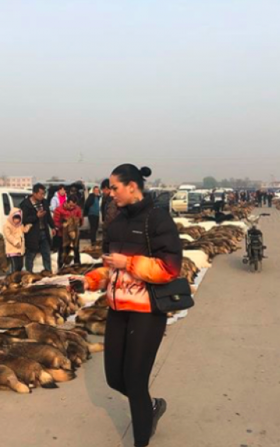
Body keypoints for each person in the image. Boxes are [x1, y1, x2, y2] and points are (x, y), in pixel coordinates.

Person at [83, 164, 182, 447]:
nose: (110, 193)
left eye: (115, 188)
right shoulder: (116, 223)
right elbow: (110, 269)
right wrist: (89, 280)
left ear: (132, 186)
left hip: (147, 312)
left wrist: (128, 262)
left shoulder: (157, 219)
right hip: (118, 311)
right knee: (115, 378)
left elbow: (170, 268)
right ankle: (150, 407)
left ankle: (141, 438)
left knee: (135, 381)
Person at [20, 183, 55, 273]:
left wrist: (53, 227)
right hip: (32, 233)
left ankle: (48, 272)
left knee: (46, 253)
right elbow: (24, 220)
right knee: (31, 254)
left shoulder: (44, 202)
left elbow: (48, 216)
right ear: (34, 193)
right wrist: (36, 216)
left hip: (44, 231)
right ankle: (29, 273)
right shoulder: (25, 204)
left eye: (44, 194)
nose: (42, 196)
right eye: (41, 194)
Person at [53, 195, 83, 269]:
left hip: (74, 235)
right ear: (66, 202)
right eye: (70, 205)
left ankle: (77, 265)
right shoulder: (59, 209)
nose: (72, 207)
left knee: (75, 249)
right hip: (62, 235)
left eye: (73, 206)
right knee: (62, 251)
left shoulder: (77, 209)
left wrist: (77, 222)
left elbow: (81, 220)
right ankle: (61, 267)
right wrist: (62, 225)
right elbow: (55, 222)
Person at [3, 208, 32, 273]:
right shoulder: (7, 226)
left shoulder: (20, 225)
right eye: (15, 218)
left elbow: (24, 230)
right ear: (11, 217)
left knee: (20, 265)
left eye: (19, 219)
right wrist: (15, 242)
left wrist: (28, 226)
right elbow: (8, 236)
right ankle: (12, 276)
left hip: (20, 249)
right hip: (12, 249)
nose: (17, 220)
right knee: (14, 266)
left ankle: (17, 276)